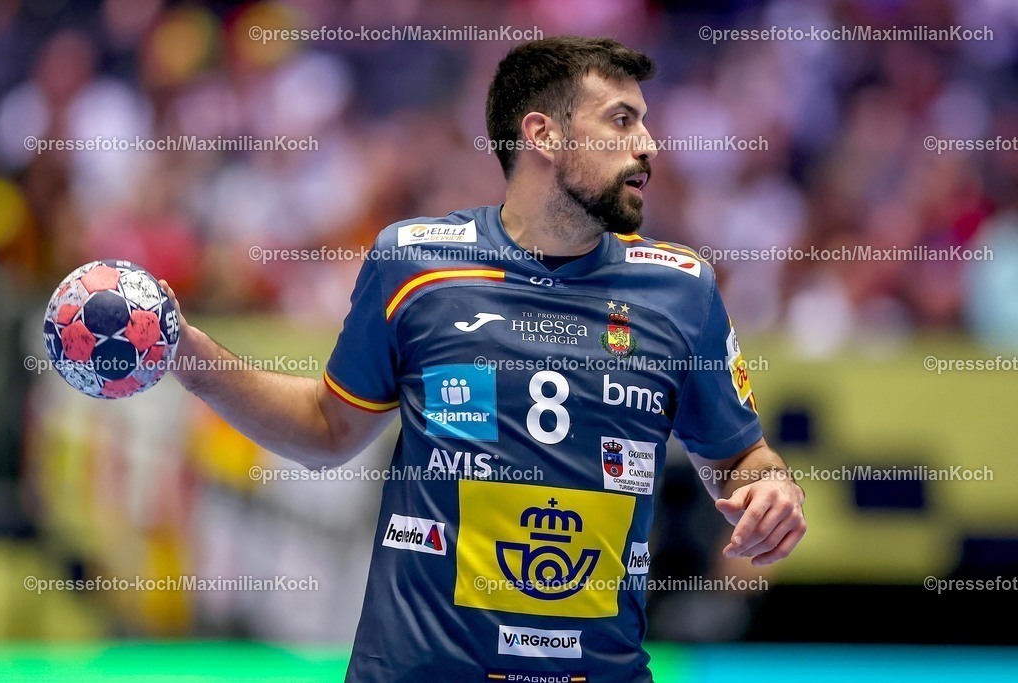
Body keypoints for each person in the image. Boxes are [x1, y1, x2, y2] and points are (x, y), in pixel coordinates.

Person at [161, 36, 806, 683]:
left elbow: (740, 461)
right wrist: (191, 356)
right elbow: (328, 429)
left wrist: (770, 488)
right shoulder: (414, 267)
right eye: (621, 119)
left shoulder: (682, 288)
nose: (648, 144)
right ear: (544, 135)